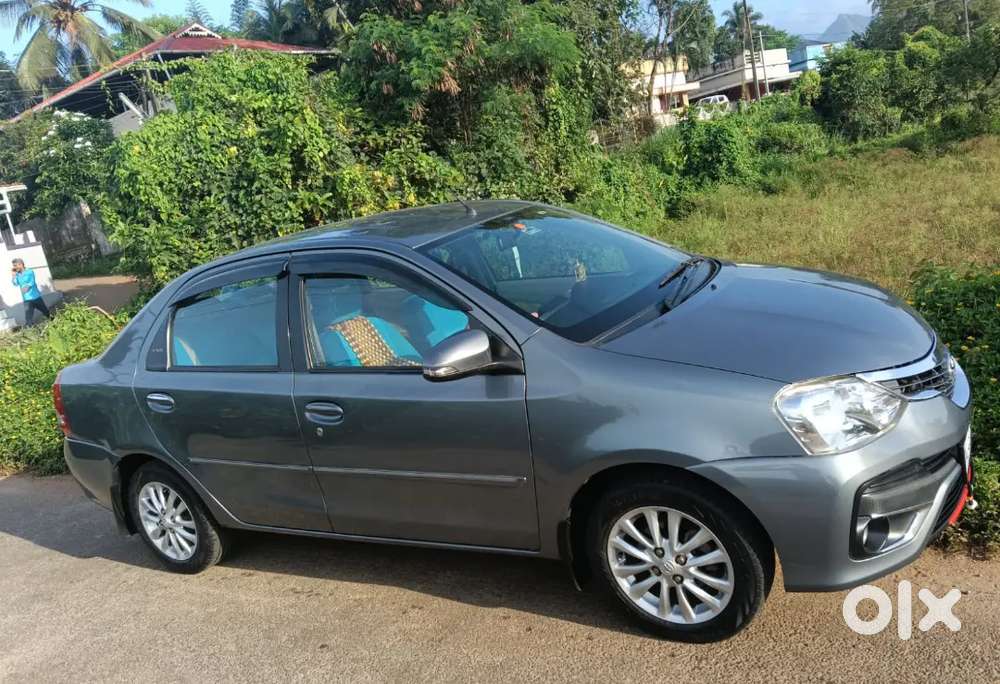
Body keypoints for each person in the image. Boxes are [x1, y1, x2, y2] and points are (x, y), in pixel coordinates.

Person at [11, 258, 50, 326]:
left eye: (15, 265)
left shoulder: (29, 271)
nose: (14, 267)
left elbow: (31, 282)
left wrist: (25, 288)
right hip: (27, 300)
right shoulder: (17, 274)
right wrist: (13, 276)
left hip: (36, 297)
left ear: (21, 264)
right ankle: (32, 331)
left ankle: (53, 321)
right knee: (28, 319)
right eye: (14, 266)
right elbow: (15, 284)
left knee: (46, 312)